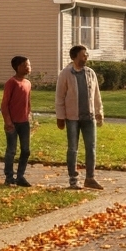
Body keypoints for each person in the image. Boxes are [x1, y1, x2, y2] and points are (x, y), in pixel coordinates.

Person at [54, 45, 104, 190]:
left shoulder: (90, 73)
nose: (86, 57)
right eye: (83, 55)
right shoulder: (65, 74)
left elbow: (96, 94)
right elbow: (59, 96)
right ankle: (73, 180)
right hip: (72, 118)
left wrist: (99, 112)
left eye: (86, 54)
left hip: (89, 117)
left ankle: (90, 178)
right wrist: (60, 117)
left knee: (91, 148)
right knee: (73, 149)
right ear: (75, 57)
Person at [1, 55, 36, 187]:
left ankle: (20, 176)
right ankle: (9, 177)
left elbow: (28, 102)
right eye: (26, 65)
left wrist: (30, 116)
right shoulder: (12, 83)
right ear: (19, 67)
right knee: (11, 150)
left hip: (24, 122)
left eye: (29, 65)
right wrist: (8, 121)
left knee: (26, 150)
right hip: (13, 123)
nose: (29, 67)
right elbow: (4, 104)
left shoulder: (28, 83)